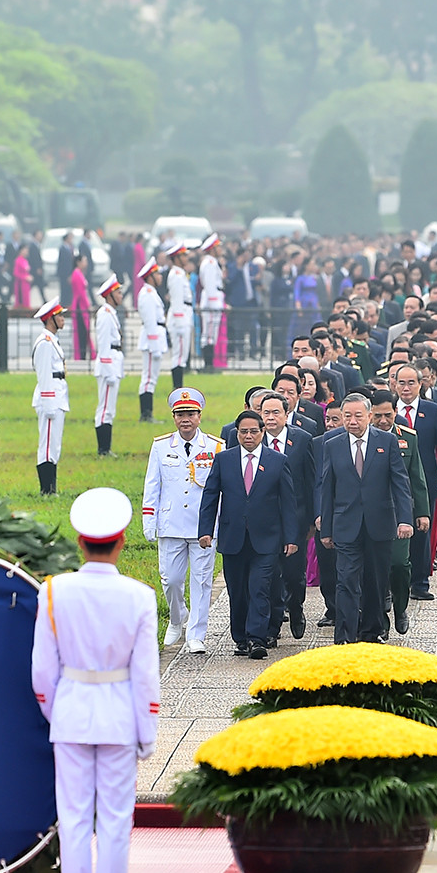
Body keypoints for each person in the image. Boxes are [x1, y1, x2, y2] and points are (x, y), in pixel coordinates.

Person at [32, 487, 160, 873]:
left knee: (72, 822)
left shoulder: (53, 592)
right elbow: (145, 675)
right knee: (113, 823)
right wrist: (147, 732)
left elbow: (42, 674)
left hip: (70, 713)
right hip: (120, 717)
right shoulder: (139, 596)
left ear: (80, 542)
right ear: (122, 541)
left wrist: (58, 711)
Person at [315, 392, 414, 645]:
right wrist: (326, 528)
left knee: (376, 581)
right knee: (346, 580)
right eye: (347, 416)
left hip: (379, 524)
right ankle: (345, 635)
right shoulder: (333, 445)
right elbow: (326, 488)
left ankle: (372, 632)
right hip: (346, 524)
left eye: (358, 415)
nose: (352, 421)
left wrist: (405, 519)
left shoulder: (387, 442)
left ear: (369, 416)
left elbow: (400, 483)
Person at [198, 408, 298, 658]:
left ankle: (257, 639)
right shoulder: (224, 459)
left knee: (259, 588)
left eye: (254, 431)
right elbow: (210, 495)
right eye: (244, 432)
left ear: (263, 432)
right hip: (233, 538)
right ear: (237, 434)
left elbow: (288, 502)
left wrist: (291, 538)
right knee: (238, 591)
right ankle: (240, 637)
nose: (249, 436)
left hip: (267, 539)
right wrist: (205, 531)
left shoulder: (277, 461)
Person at [142, 387, 221, 653]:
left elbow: (221, 489)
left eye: (190, 414)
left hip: (203, 525)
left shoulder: (214, 446)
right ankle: (178, 618)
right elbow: (152, 486)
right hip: (171, 523)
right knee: (171, 580)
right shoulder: (161, 446)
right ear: (174, 417)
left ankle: (196, 635)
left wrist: (218, 523)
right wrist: (148, 520)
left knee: (201, 580)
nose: (185, 419)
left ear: (199, 416)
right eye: (180, 414)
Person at [391, 364, 437, 600]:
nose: (406, 388)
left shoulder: (433, 410)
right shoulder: (387, 411)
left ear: (421, 385)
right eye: (401, 383)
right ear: (394, 384)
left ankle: (420, 582)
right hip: (392, 483)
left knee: (421, 531)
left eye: (411, 383)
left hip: (424, 482)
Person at [371, 389, 431, 637]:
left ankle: (400, 607)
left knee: (398, 565)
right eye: (377, 416)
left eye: (387, 415)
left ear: (396, 412)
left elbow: (417, 477)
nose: (383, 421)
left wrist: (422, 512)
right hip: (372, 512)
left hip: (400, 513)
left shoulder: (408, 438)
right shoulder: (364, 438)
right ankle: (379, 622)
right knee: (375, 569)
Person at [256, 392, 316, 641]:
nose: (271, 418)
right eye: (266, 413)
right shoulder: (253, 440)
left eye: (275, 412)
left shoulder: (302, 439)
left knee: (293, 573)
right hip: (266, 521)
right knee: (270, 574)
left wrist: (313, 519)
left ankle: (296, 608)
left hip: (296, 519)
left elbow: (312, 481)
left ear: (286, 414)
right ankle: (272, 627)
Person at [33, 301, 70, 495]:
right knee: (47, 445)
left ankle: (51, 487)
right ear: (50, 319)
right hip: (50, 398)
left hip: (58, 396)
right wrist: (48, 403)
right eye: (60, 315)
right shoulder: (45, 343)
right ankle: (46, 489)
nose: (63, 319)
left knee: (54, 444)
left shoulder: (52, 340)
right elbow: (44, 374)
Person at [92, 275, 125, 455]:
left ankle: (106, 447)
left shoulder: (110, 313)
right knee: (105, 408)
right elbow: (103, 344)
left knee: (109, 408)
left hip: (114, 362)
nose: (121, 296)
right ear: (110, 295)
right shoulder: (104, 314)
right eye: (118, 292)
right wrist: (108, 369)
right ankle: (103, 448)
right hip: (108, 365)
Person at [134, 257, 168, 422]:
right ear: (150, 276)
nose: (160, 277)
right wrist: (155, 344)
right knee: (148, 378)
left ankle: (148, 413)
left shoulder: (151, 293)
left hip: (155, 338)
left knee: (151, 378)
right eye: (158, 274)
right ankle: (145, 414)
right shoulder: (147, 294)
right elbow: (149, 321)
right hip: (150, 339)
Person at [164, 243, 195, 393]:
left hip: (184, 313)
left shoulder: (180, 273)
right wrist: (180, 321)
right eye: (183, 255)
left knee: (181, 354)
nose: (186, 258)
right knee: (179, 354)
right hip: (180, 317)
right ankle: (177, 387)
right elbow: (176, 300)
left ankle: (178, 386)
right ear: (176, 258)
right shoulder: (176, 275)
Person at [197, 233, 225, 371]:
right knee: (208, 334)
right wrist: (214, 303)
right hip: (211, 301)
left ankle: (210, 364)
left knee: (212, 333)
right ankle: (207, 364)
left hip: (215, 298)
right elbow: (209, 285)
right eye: (218, 246)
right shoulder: (209, 263)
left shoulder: (212, 262)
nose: (220, 249)